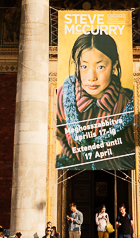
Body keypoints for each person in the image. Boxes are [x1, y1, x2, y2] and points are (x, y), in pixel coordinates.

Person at [57, 33, 134, 170]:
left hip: (117, 176)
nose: (91, 77)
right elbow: (57, 135)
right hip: (71, 177)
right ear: (76, 66)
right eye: (84, 67)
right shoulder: (62, 96)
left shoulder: (128, 104)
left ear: (114, 65)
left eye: (100, 67)